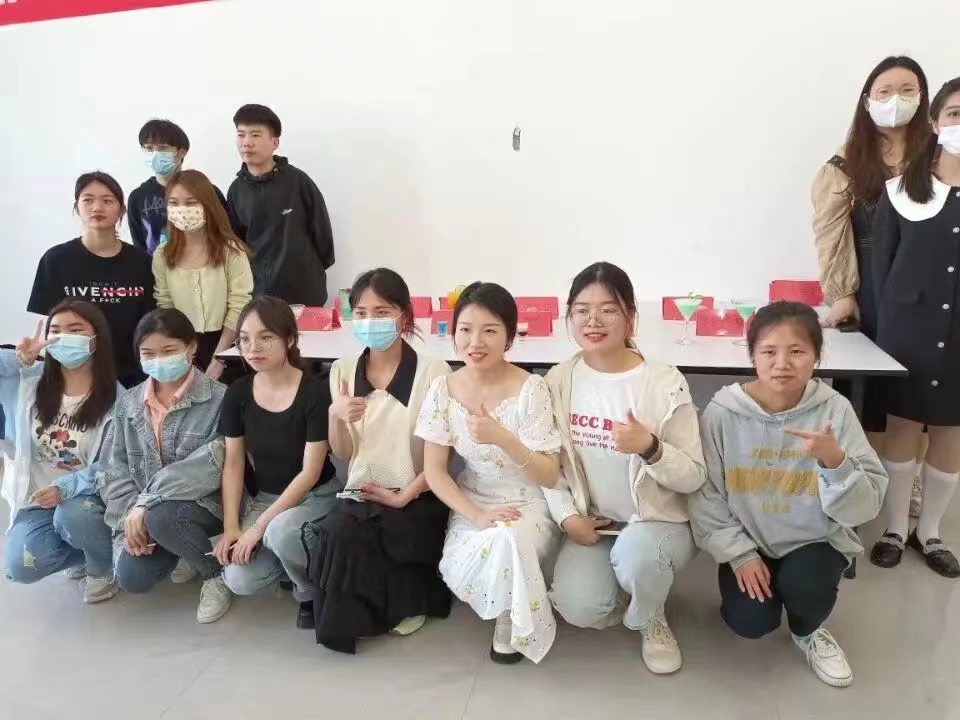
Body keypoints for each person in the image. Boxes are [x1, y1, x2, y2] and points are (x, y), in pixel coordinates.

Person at [690, 301, 887, 688]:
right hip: (749, 540)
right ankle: (752, 592)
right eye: (769, 351)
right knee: (749, 622)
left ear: (817, 355)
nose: (782, 363)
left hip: (815, 539)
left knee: (808, 591)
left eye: (797, 351)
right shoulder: (722, 413)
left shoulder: (835, 410)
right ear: (752, 355)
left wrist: (835, 462)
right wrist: (740, 555)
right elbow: (706, 494)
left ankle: (808, 632)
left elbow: (866, 506)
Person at [544, 262, 705, 675]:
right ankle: (634, 588)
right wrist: (567, 518)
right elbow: (548, 466)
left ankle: (651, 615)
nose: (593, 321)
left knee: (638, 555)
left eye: (608, 310)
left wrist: (651, 448)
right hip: (596, 524)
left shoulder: (663, 381)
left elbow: (693, 475)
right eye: (581, 311)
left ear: (631, 316)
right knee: (579, 608)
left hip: (656, 522)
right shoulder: (558, 381)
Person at [415, 282, 562, 665]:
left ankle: (510, 617)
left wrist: (503, 438)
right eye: (465, 329)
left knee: (509, 537)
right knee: (488, 543)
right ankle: (514, 597)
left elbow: (549, 475)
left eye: (490, 330)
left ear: (509, 336)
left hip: (527, 500)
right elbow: (434, 471)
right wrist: (477, 515)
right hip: (473, 501)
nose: (475, 342)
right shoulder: (442, 389)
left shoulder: (531, 389)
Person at [308, 268, 452, 652]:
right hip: (362, 491)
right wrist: (336, 416)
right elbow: (344, 453)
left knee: (386, 535)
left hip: (417, 492)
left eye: (382, 311)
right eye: (361, 312)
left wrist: (405, 495)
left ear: (404, 315)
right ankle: (371, 611)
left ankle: (408, 602)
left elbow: (442, 457)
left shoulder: (433, 372)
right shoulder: (342, 370)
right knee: (340, 533)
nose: (370, 321)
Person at [811, 56, 931, 516]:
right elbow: (830, 232)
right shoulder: (846, 163)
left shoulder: (939, 157)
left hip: (930, 292)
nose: (895, 99)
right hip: (872, 292)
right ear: (867, 101)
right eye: (884, 91)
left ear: (923, 97)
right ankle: (865, 479)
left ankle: (909, 481)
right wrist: (842, 294)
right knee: (869, 396)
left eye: (907, 89)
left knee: (919, 394)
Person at [869, 78, 960, 579]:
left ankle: (931, 532)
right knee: (902, 426)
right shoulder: (902, 192)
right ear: (935, 122)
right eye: (955, 114)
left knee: (950, 431)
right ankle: (893, 529)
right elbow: (881, 271)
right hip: (908, 333)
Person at [98, 309, 232, 623]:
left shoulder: (220, 399)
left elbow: (208, 467)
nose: (159, 360)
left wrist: (145, 504)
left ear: (192, 347)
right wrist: (130, 519)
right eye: (148, 353)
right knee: (132, 577)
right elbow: (112, 469)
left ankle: (214, 574)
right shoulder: (128, 403)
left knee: (163, 516)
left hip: (204, 505)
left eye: (169, 350)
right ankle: (180, 548)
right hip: (144, 511)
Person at [214, 297, 342, 624]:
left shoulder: (314, 392)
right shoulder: (238, 392)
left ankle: (309, 589)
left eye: (266, 337)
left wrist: (258, 528)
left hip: (316, 496)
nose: (253, 347)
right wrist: (231, 528)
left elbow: (310, 473)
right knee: (239, 578)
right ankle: (293, 559)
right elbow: (234, 463)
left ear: (290, 339)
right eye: (244, 339)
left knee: (280, 531)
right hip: (266, 498)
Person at [1, 302, 121, 604]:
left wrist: (64, 488)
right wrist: (18, 360)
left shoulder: (117, 398)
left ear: (96, 338)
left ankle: (102, 567)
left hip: (88, 500)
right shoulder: (28, 381)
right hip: (36, 501)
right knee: (19, 568)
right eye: (55, 331)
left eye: (75, 330)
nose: (63, 338)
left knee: (74, 516)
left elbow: (114, 464)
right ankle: (83, 551)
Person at [28, 172, 155, 389]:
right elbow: (46, 324)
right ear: (77, 208)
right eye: (88, 200)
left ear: (122, 210)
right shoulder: (56, 260)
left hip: (131, 378)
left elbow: (150, 324)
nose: (97, 207)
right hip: (72, 377)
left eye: (107, 200)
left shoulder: (142, 262)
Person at [226, 104, 335, 306]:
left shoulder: (298, 182)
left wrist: (307, 272)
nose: (247, 142)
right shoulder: (236, 191)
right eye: (241, 135)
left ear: (275, 142)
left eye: (255, 135)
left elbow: (323, 236)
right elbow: (237, 245)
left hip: (305, 292)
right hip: (259, 296)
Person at [153, 169, 253, 379]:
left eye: (190, 203)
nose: (182, 210)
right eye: (174, 203)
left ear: (207, 205)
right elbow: (165, 305)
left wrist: (218, 360)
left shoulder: (231, 250)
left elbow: (239, 305)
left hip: (229, 346)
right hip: (182, 347)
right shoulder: (163, 254)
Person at [128, 119, 228, 255]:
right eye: (149, 148)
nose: (155, 154)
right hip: (156, 266)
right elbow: (139, 246)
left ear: (182, 152)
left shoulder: (206, 191)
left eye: (162, 148)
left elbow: (224, 234)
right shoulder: (137, 197)